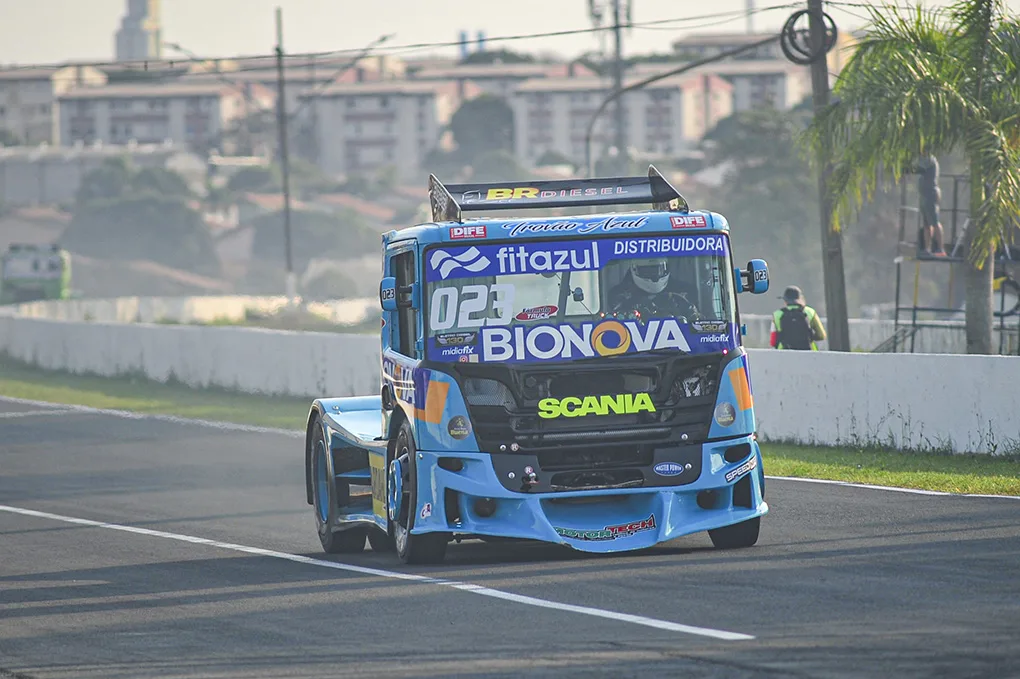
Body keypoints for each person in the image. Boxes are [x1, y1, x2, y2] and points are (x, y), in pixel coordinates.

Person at [606, 257, 700, 321]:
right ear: (634, 270)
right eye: (648, 271)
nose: (654, 276)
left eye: (659, 269)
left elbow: (699, 321)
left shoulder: (685, 290)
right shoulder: (618, 295)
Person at [910, 154, 947, 257]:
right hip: (924, 194)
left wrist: (907, 168)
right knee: (926, 223)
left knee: (934, 221)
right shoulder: (922, 158)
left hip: (931, 193)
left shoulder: (930, 159)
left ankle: (941, 249)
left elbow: (920, 169)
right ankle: (927, 249)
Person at [770, 286, 826, 350]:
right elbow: (821, 335)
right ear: (800, 299)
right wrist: (808, 336)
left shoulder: (776, 315)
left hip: (785, 354)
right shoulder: (810, 312)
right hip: (809, 354)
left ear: (785, 301)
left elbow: (773, 342)